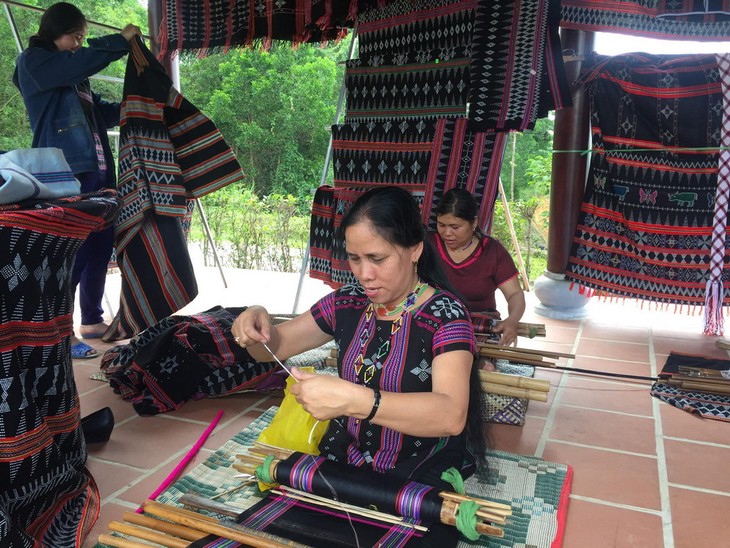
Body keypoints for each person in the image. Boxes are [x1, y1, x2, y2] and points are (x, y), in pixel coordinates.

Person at [232, 186, 487, 545]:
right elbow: (277, 345)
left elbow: (450, 414)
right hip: (345, 459)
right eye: (354, 259)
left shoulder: (446, 316)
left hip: (415, 471)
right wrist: (258, 327)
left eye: (377, 258)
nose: (364, 274)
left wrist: (354, 401)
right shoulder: (347, 301)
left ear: (415, 249)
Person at [13, 2, 142, 359]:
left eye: (81, 38)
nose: (77, 44)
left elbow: (100, 111)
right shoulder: (35, 64)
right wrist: (119, 41)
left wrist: (138, 104)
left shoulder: (72, 75)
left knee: (100, 247)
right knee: (73, 252)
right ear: (55, 31)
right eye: (75, 37)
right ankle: (61, 333)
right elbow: (78, 61)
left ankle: (92, 321)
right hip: (66, 172)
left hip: (97, 171)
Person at [431, 188, 526, 347]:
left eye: (455, 227)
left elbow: (515, 294)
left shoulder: (492, 251)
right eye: (441, 225)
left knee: (481, 366)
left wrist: (512, 320)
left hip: (480, 327)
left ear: (474, 222)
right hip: (435, 323)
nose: (447, 233)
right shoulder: (428, 246)